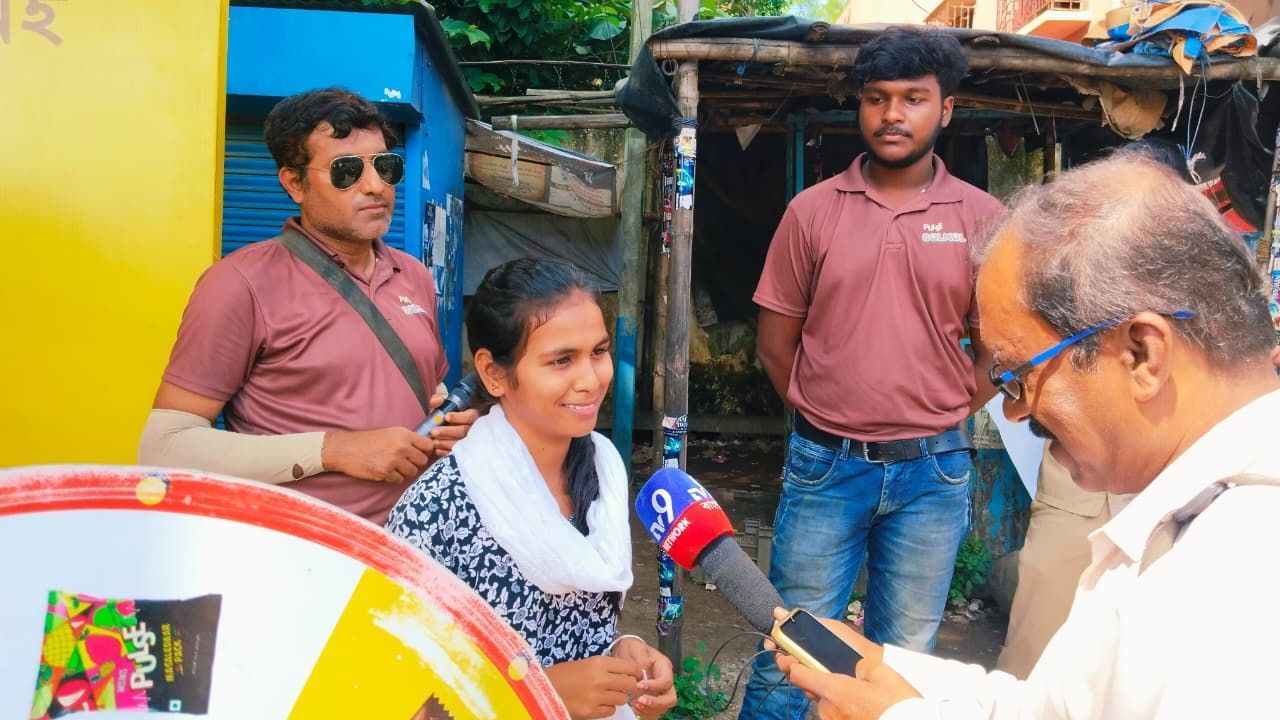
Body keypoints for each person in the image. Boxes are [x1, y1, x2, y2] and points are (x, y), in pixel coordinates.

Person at [773, 153, 1280, 718]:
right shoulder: (1185, 518)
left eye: (1019, 377)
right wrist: (890, 671)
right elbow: (1056, 709)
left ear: (1142, 354)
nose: (1014, 415)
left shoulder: (1245, 577)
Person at [742, 26, 1004, 719]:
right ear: (859, 107)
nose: (893, 115)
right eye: (878, 98)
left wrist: (944, 408)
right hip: (826, 465)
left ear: (945, 110)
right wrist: (826, 411)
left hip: (935, 473)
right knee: (790, 648)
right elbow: (777, 344)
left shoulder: (983, 220)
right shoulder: (813, 211)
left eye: (914, 99)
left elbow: (998, 349)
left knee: (902, 660)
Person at [138, 88, 474, 525]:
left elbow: (430, 393)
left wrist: (450, 424)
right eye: (346, 171)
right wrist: (334, 450)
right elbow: (165, 446)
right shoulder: (239, 284)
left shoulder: (413, 275)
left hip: (415, 545)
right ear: (294, 183)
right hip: (303, 553)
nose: (375, 186)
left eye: (385, 167)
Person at [386, 258, 676, 720]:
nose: (590, 380)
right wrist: (539, 694)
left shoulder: (600, 471)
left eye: (598, 352)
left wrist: (625, 651)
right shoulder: (437, 511)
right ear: (494, 373)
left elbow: (585, 629)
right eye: (562, 360)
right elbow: (394, 690)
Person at [995, 137, 1201, 678]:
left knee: (1141, 651)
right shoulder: (1070, 262)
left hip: (1166, 479)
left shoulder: (1207, 275)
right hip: (1078, 483)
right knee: (1037, 636)